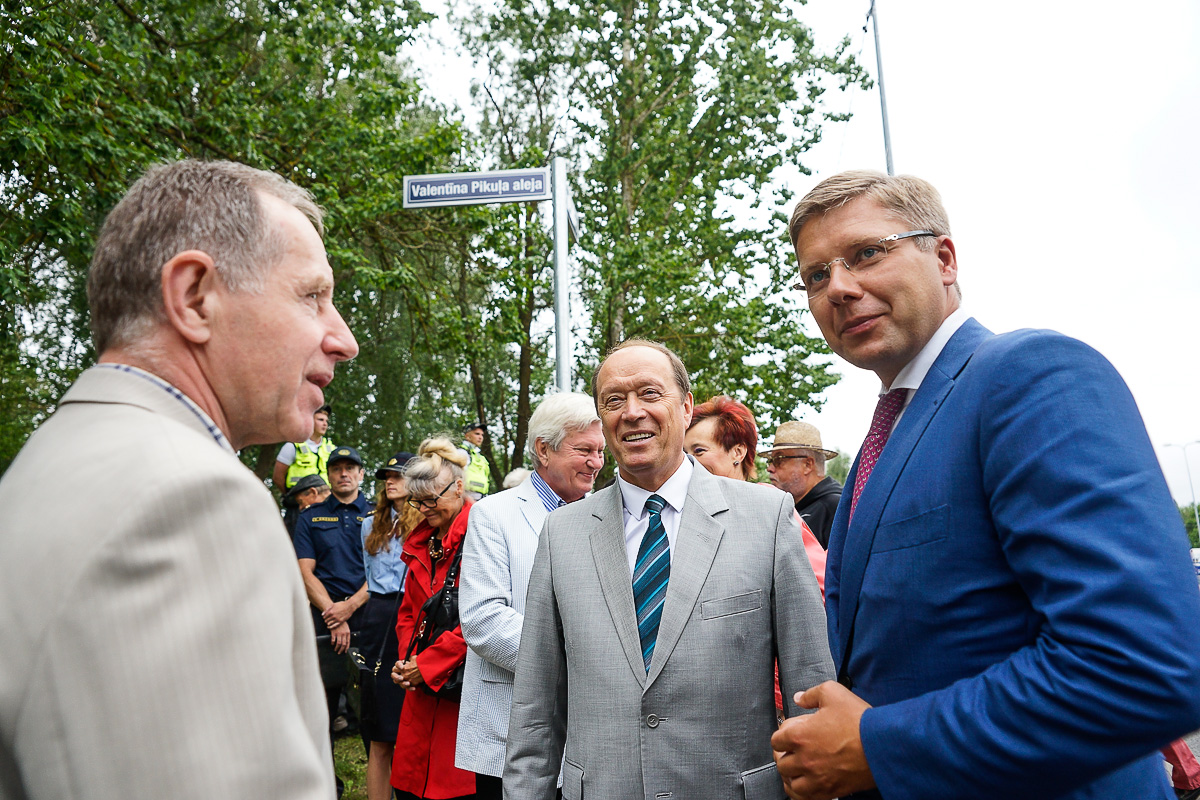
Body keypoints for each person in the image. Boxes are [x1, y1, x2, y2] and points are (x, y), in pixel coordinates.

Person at [772, 169, 1200, 800]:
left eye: (867, 253)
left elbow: (1144, 666)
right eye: (815, 274)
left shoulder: (1030, 376)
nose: (838, 287)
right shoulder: (884, 436)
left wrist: (878, 746)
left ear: (943, 258)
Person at [0, 159, 357, 798]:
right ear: (194, 297)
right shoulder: (189, 501)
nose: (343, 339)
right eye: (312, 296)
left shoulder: (59, 463)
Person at [503, 339, 833, 800]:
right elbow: (536, 709)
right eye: (614, 400)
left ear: (685, 408)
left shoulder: (767, 517)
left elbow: (811, 690)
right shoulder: (562, 533)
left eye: (650, 394)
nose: (631, 412)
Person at [456, 392, 605, 799]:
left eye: (600, 451)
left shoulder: (610, 518)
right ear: (544, 449)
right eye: (584, 450)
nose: (596, 462)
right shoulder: (493, 514)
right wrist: (583, 656)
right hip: (510, 728)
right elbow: (483, 620)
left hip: (592, 736)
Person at [390, 438, 476, 800]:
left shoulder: (484, 533)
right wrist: (409, 659)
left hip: (461, 697)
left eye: (431, 499)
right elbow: (408, 612)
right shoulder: (422, 542)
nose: (423, 508)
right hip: (420, 695)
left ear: (458, 487)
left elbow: (482, 618)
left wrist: (426, 664)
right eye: (417, 500)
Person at [684, 395, 826, 593]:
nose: (688, 462)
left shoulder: (769, 508)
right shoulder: (684, 510)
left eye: (699, 451)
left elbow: (820, 586)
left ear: (738, 453)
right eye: (683, 454)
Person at [293, 445, 373, 793]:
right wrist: (334, 615)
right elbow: (303, 571)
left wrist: (349, 608)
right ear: (329, 475)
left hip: (369, 618)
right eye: (337, 468)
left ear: (360, 474)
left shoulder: (377, 513)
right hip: (324, 623)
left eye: (349, 468)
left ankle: (381, 782)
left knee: (374, 707)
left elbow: (386, 571)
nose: (343, 473)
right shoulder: (310, 517)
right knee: (320, 708)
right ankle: (326, 785)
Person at [359, 451, 420, 800]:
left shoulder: (428, 524)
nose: (390, 480)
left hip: (414, 617)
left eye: (398, 475)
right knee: (380, 729)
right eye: (386, 476)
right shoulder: (369, 524)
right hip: (380, 617)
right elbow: (369, 578)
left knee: (408, 726)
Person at [761, 420, 843, 548]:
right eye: (770, 461)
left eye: (779, 459)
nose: (770, 468)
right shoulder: (792, 507)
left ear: (807, 465)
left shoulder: (836, 509)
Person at [275, 403, 336, 492]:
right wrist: (289, 497)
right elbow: (277, 477)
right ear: (309, 421)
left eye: (326, 421)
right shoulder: (292, 446)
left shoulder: (332, 449)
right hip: (299, 501)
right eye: (320, 420)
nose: (325, 424)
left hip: (326, 501)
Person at [461, 422, 492, 499]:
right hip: (466, 497)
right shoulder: (462, 453)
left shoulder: (480, 457)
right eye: (477, 434)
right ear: (467, 436)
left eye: (482, 435)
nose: (480, 437)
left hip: (482, 498)